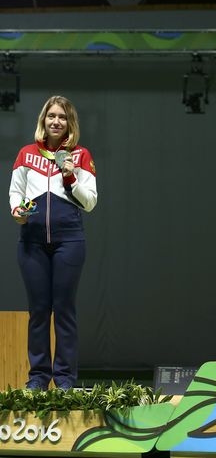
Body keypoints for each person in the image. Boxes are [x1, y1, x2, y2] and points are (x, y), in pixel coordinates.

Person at [9, 96, 97, 390]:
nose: (56, 121)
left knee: (64, 310)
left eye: (62, 117)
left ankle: (64, 380)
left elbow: (90, 203)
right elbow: (15, 193)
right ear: (43, 121)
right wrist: (17, 212)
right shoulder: (25, 154)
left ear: (70, 123)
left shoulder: (81, 155)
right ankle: (38, 377)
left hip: (68, 243)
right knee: (38, 312)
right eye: (51, 116)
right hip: (32, 244)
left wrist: (70, 176)